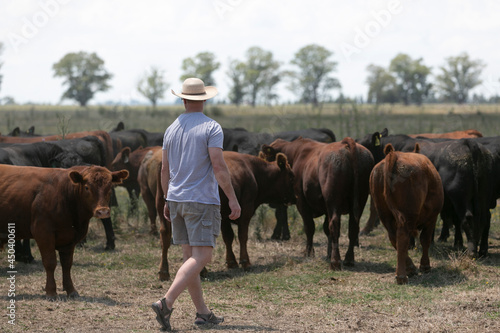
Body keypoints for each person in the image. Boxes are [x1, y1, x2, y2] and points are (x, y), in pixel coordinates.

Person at [151, 78, 241, 331]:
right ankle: (165, 303)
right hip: (201, 200)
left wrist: (168, 198)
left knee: (191, 259)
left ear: (183, 99)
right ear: (204, 99)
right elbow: (219, 166)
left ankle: (203, 314)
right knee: (202, 257)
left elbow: (165, 169)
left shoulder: (171, 128)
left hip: (177, 199)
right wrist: (232, 198)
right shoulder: (211, 127)